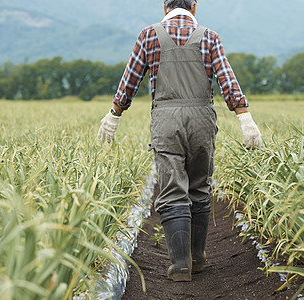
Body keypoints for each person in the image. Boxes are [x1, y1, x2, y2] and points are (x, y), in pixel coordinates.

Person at [98, 0, 262, 282]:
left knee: (173, 188)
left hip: (166, 120)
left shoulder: (149, 35)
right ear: (194, 7)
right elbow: (227, 80)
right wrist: (245, 118)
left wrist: (114, 115)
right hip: (202, 120)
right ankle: (197, 258)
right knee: (200, 187)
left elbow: (130, 81)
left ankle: (181, 265)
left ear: (165, 7)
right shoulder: (209, 36)